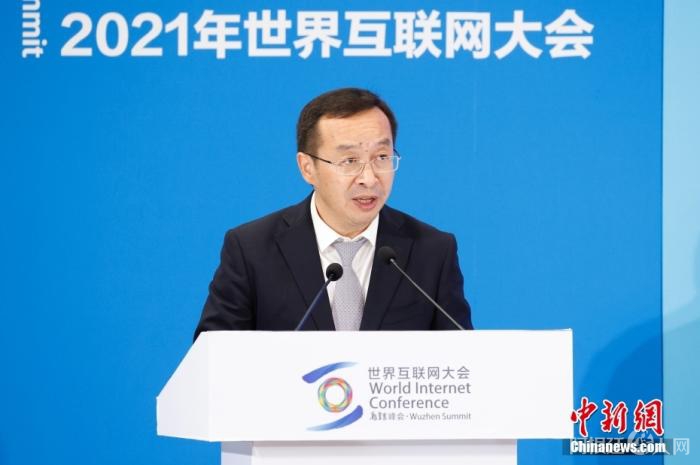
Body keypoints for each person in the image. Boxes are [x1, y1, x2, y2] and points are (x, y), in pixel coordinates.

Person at [194, 88, 472, 339]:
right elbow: (212, 360)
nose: (369, 178)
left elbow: (463, 361)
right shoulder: (252, 249)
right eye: (349, 161)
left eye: (382, 157)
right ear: (307, 168)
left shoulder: (432, 251)